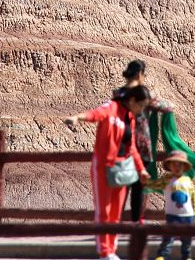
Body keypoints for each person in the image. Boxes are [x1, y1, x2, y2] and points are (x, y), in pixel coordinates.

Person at [64, 85, 152, 260]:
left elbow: (132, 147)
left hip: (122, 170)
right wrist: (77, 118)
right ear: (132, 100)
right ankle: (104, 252)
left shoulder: (130, 118)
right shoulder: (111, 108)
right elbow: (94, 114)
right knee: (103, 211)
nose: (141, 110)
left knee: (115, 213)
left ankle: (112, 250)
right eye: (141, 105)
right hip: (104, 167)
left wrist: (141, 169)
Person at [117, 59, 175, 223]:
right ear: (139, 74)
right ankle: (137, 222)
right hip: (141, 147)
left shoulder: (118, 94)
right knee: (140, 187)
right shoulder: (143, 94)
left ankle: (116, 222)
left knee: (121, 187)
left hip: (122, 146)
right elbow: (167, 106)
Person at [154, 151, 195, 260]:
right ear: (169, 165)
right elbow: (154, 185)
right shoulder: (166, 180)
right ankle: (162, 255)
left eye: (180, 164)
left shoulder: (188, 181)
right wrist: (145, 181)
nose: (177, 167)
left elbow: (193, 199)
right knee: (168, 237)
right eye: (174, 164)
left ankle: (187, 256)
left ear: (184, 166)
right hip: (172, 215)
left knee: (187, 239)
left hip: (188, 216)